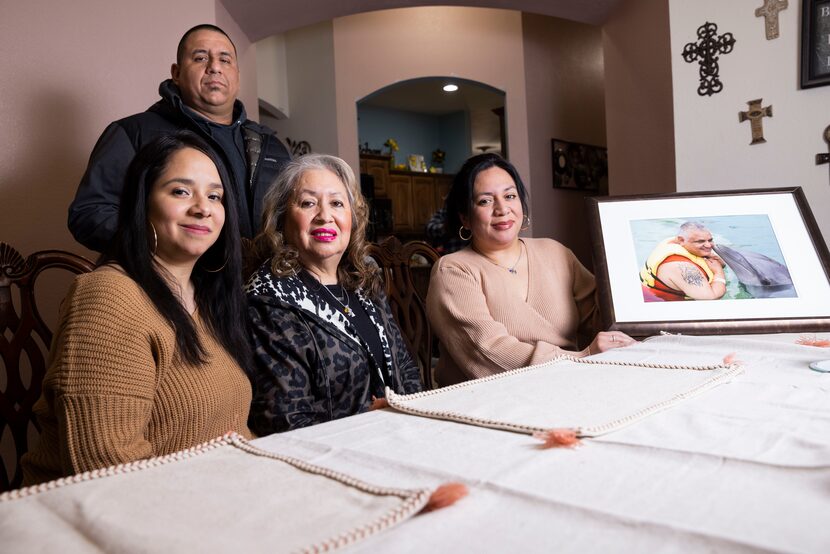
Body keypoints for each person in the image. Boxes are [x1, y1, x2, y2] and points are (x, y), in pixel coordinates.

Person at [22, 132, 253, 485]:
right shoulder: (108, 297)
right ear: (142, 202)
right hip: (114, 516)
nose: (203, 207)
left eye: (215, 196)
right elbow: (109, 469)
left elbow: (237, 432)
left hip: (217, 496)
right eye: (180, 191)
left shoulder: (208, 300)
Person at [69, 24, 291, 252]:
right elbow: (90, 213)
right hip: (174, 284)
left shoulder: (271, 146)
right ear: (176, 73)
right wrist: (163, 247)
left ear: (237, 75)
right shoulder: (134, 132)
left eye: (225, 60)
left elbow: (294, 220)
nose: (214, 67)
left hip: (261, 285)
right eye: (200, 58)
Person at [246, 154, 423, 434]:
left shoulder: (364, 280)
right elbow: (285, 420)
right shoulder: (269, 298)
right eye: (308, 203)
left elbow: (404, 367)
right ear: (281, 219)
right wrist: (373, 422)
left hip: (401, 436)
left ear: (352, 219)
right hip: (332, 456)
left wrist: (415, 418)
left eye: (337, 203)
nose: (325, 216)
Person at [426, 153, 634, 387]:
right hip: (488, 401)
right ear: (464, 217)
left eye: (510, 196)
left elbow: (600, 318)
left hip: (566, 386)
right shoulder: (453, 271)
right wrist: (581, 358)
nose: (502, 209)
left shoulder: (555, 252)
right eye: (485, 201)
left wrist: (618, 273)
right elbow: (486, 351)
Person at [639, 221, 727, 301]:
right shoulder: (683, 267)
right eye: (700, 241)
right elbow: (711, 297)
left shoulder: (672, 242)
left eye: (710, 240)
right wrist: (718, 272)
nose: (708, 245)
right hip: (659, 302)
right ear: (681, 240)